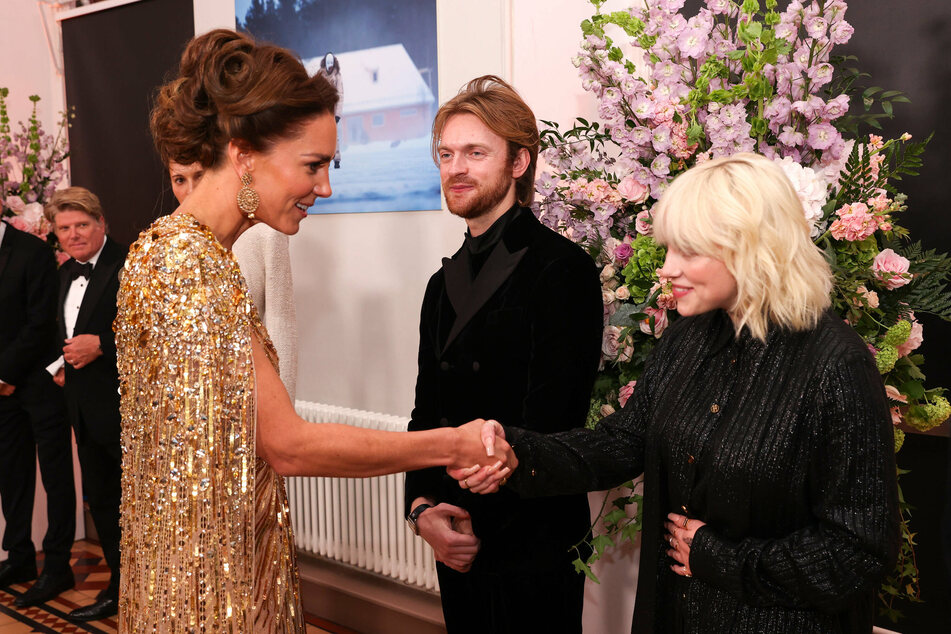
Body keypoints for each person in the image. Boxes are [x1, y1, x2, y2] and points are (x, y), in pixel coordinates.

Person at [116, 29, 511, 634]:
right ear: (245, 153)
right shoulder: (189, 266)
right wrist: (452, 444)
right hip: (209, 586)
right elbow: (289, 446)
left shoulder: (175, 253)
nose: (325, 188)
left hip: (208, 564)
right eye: (313, 165)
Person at [459, 153, 901, 633]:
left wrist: (718, 558)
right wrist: (516, 452)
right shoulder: (687, 337)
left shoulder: (837, 366)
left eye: (688, 251)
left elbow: (860, 551)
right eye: (669, 248)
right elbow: (624, 441)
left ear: (753, 248)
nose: (666, 269)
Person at [403, 75, 602, 633]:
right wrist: (423, 513)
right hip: (454, 533)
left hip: (533, 539)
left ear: (519, 163)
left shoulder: (563, 270)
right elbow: (424, 416)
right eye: (446, 153)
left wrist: (471, 514)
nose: (455, 168)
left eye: (475, 152)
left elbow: (555, 424)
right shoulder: (438, 287)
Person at [41, 187, 126, 620]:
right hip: (84, 410)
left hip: (128, 411)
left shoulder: (130, 264)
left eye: (82, 225)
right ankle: (119, 586)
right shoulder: (61, 275)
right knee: (106, 504)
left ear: (102, 224)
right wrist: (61, 362)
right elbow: (67, 328)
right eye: (65, 228)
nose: (74, 235)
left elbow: (161, 331)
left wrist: (104, 345)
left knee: (137, 506)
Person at [169, 161, 299, 397]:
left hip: (244, 398)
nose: (189, 191)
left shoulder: (265, 233)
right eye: (179, 180)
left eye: (199, 176)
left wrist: (285, 413)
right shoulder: (167, 243)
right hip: (184, 400)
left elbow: (282, 325)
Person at [0, 218, 77, 607]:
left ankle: (58, 565)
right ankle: (19, 558)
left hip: (40, 384)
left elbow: (39, 322)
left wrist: (5, 373)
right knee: (11, 473)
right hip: (2, 389)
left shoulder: (33, 252)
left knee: (56, 476)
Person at [317, 52, 342, 168]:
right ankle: (325, 158)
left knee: (334, 135)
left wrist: (337, 114)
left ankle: (336, 159)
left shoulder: (337, 77)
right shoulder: (320, 76)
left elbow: (340, 95)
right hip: (323, 110)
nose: (330, 67)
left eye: (331, 65)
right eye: (328, 65)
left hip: (333, 110)